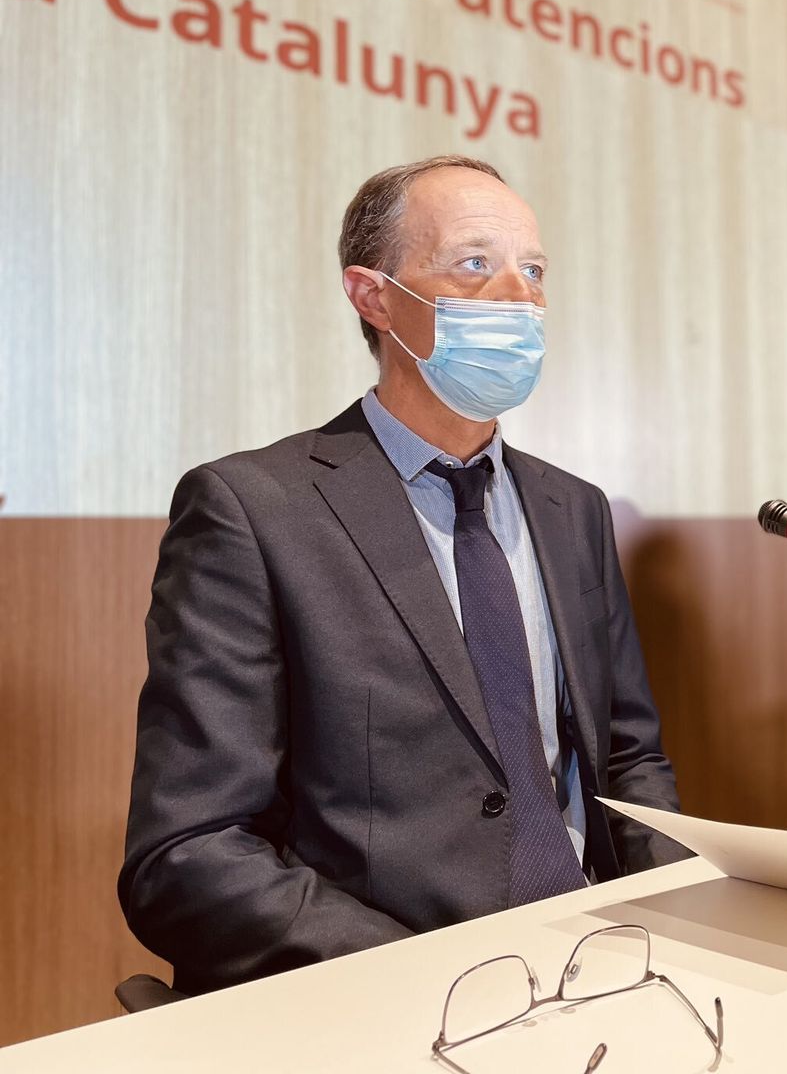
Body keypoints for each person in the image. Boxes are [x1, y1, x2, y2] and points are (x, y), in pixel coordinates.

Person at [120, 155, 688, 994]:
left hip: (601, 965)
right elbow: (188, 854)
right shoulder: (251, 510)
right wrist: (429, 974)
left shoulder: (575, 510)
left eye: (532, 271)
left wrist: (688, 901)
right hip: (395, 993)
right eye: (473, 264)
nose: (518, 297)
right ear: (374, 296)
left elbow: (630, 761)